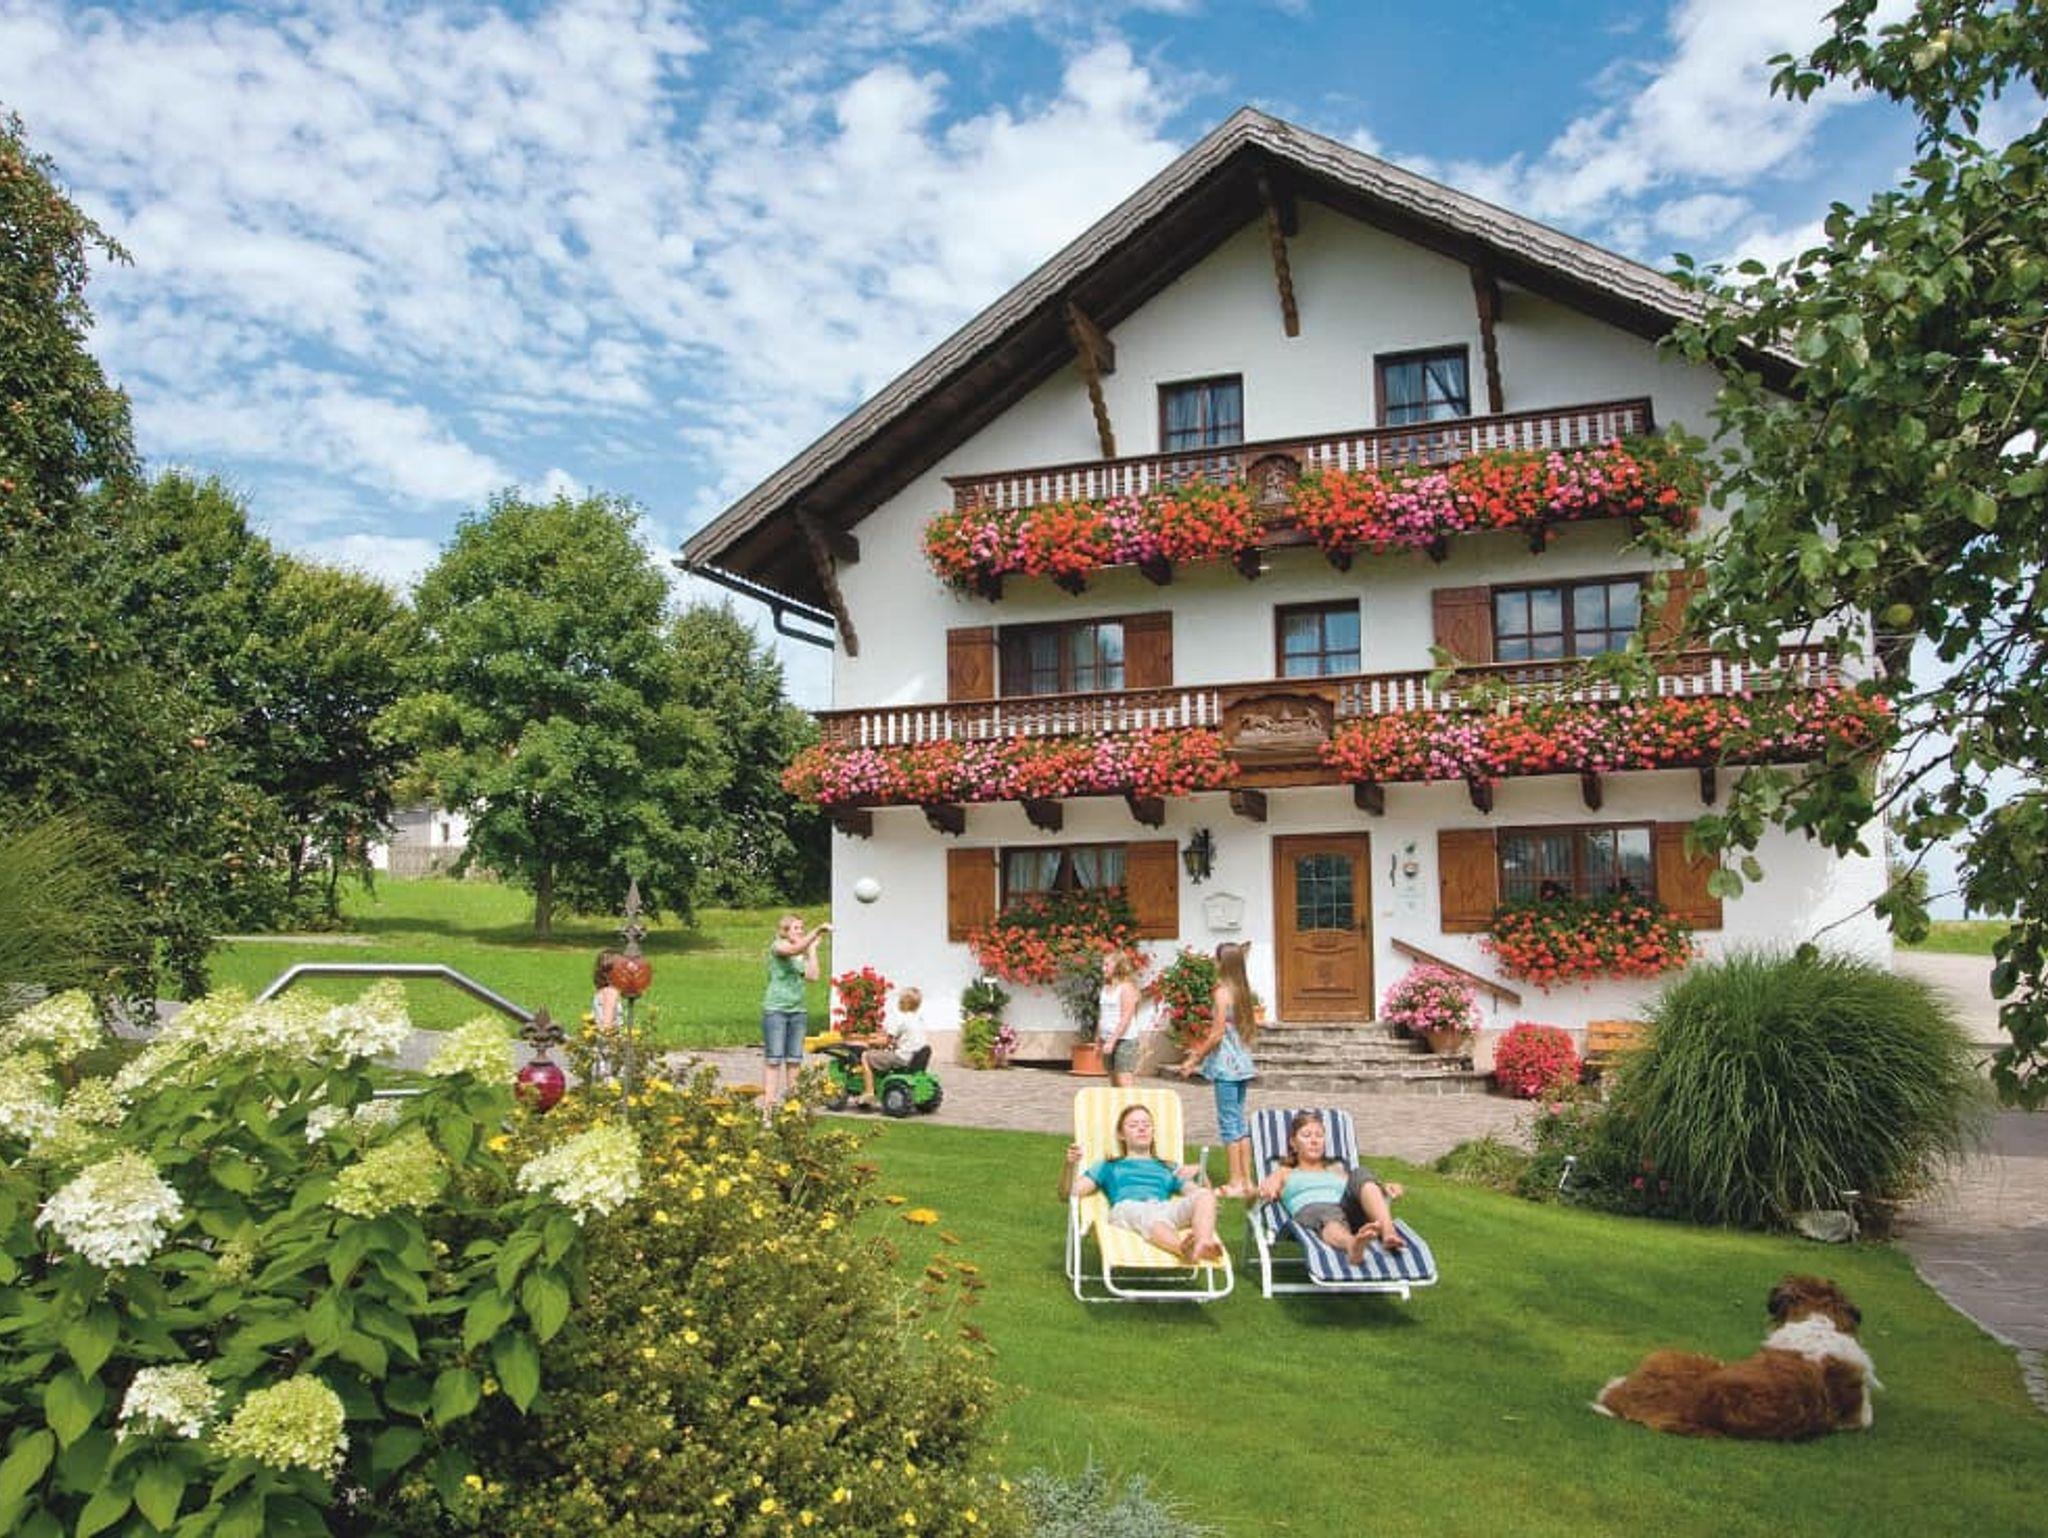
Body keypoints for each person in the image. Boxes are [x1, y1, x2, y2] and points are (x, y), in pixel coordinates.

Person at [1058, 1103, 1225, 1264]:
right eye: (1133, 1125)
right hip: (1127, 1208)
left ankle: (1203, 1243)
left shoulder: (1169, 1167)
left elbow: (1205, 1200)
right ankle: (1182, 1249)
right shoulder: (1108, 1166)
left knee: (1205, 1196)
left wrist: (1201, 1173)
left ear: (1153, 1132)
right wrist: (1070, 1165)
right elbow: (1068, 1194)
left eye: (1146, 1125)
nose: (1142, 1128)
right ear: (1121, 1135)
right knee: (1151, 1217)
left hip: (1162, 1208)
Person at [1256, 1109, 1407, 1264]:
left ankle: (1389, 1233)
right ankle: (1353, 1245)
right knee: (1328, 1214)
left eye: (1319, 1136)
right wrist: (1268, 1188)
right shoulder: (1284, 1172)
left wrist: (1385, 1188)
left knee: (1360, 1172)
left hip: (1350, 1212)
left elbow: (1359, 1188)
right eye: (1306, 1136)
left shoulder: (1336, 1169)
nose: (1314, 1141)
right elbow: (1265, 1190)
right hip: (1316, 1212)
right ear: (1293, 1143)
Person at [1178, 940, 1258, 1196]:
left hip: (1226, 1068)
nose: (1214, 962)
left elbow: (1216, 1034)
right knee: (1239, 1123)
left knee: (1228, 1124)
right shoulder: (1242, 992)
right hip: (1242, 1065)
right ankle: (1247, 1181)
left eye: (1216, 958)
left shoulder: (1222, 993)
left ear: (1222, 963)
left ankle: (1235, 1182)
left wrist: (1194, 1059)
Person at [762, 914, 829, 1120]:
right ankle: (767, 1113)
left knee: (794, 1061)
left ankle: (792, 1111)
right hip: (776, 1011)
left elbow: (813, 976)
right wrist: (817, 931)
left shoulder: (800, 955)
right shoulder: (778, 946)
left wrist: (812, 949)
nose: (800, 931)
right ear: (785, 931)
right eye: (796, 928)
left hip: (797, 1012)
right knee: (774, 1061)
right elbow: (793, 949)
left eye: (802, 928)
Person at [854, 986, 929, 1108]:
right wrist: (877, 1037)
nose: (898, 1002)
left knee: (866, 1056)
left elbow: (885, 1042)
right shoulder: (919, 1019)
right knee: (883, 1054)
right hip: (914, 1057)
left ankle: (869, 1092)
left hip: (901, 1058)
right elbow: (898, 1038)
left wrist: (868, 1041)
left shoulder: (901, 1018)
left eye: (900, 1000)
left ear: (903, 1003)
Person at [1098, 951, 1146, 1087]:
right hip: (1107, 1039)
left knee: (1124, 1082)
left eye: (1107, 965)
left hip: (1125, 1041)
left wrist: (1112, 1041)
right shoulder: (1105, 988)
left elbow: (1126, 1018)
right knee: (1114, 1082)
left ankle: (1131, 1102)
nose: (1103, 968)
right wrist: (1098, 1040)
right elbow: (1102, 1016)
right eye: (1103, 965)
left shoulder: (1126, 988)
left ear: (1118, 967)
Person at [590, 950, 625, 1082]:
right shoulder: (611, 993)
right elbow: (607, 1023)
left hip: (600, 1043)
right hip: (609, 1045)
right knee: (611, 1081)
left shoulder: (601, 992)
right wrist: (614, 1046)